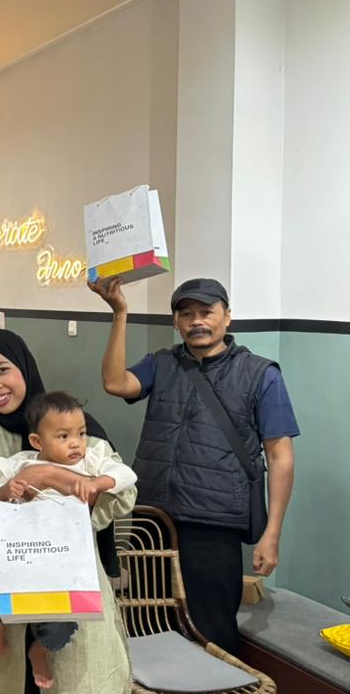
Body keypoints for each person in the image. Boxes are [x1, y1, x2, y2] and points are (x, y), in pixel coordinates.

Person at [92, 277, 297, 653]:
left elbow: (280, 456)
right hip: (153, 520)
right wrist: (120, 312)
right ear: (175, 322)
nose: (197, 321)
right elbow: (115, 383)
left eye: (206, 312)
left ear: (227, 316)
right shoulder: (161, 363)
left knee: (211, 633)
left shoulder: (260, 374)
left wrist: (272, 534)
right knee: (147, 624)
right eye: (186, 314)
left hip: (214, 524)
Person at [0, 330, 133, 693]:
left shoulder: (72, 425)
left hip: (72, 581)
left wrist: (48, 476)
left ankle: (42, 651)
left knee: (78, 679)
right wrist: (8, 566)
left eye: (2, 370)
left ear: (25, 368)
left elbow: (124, 494)